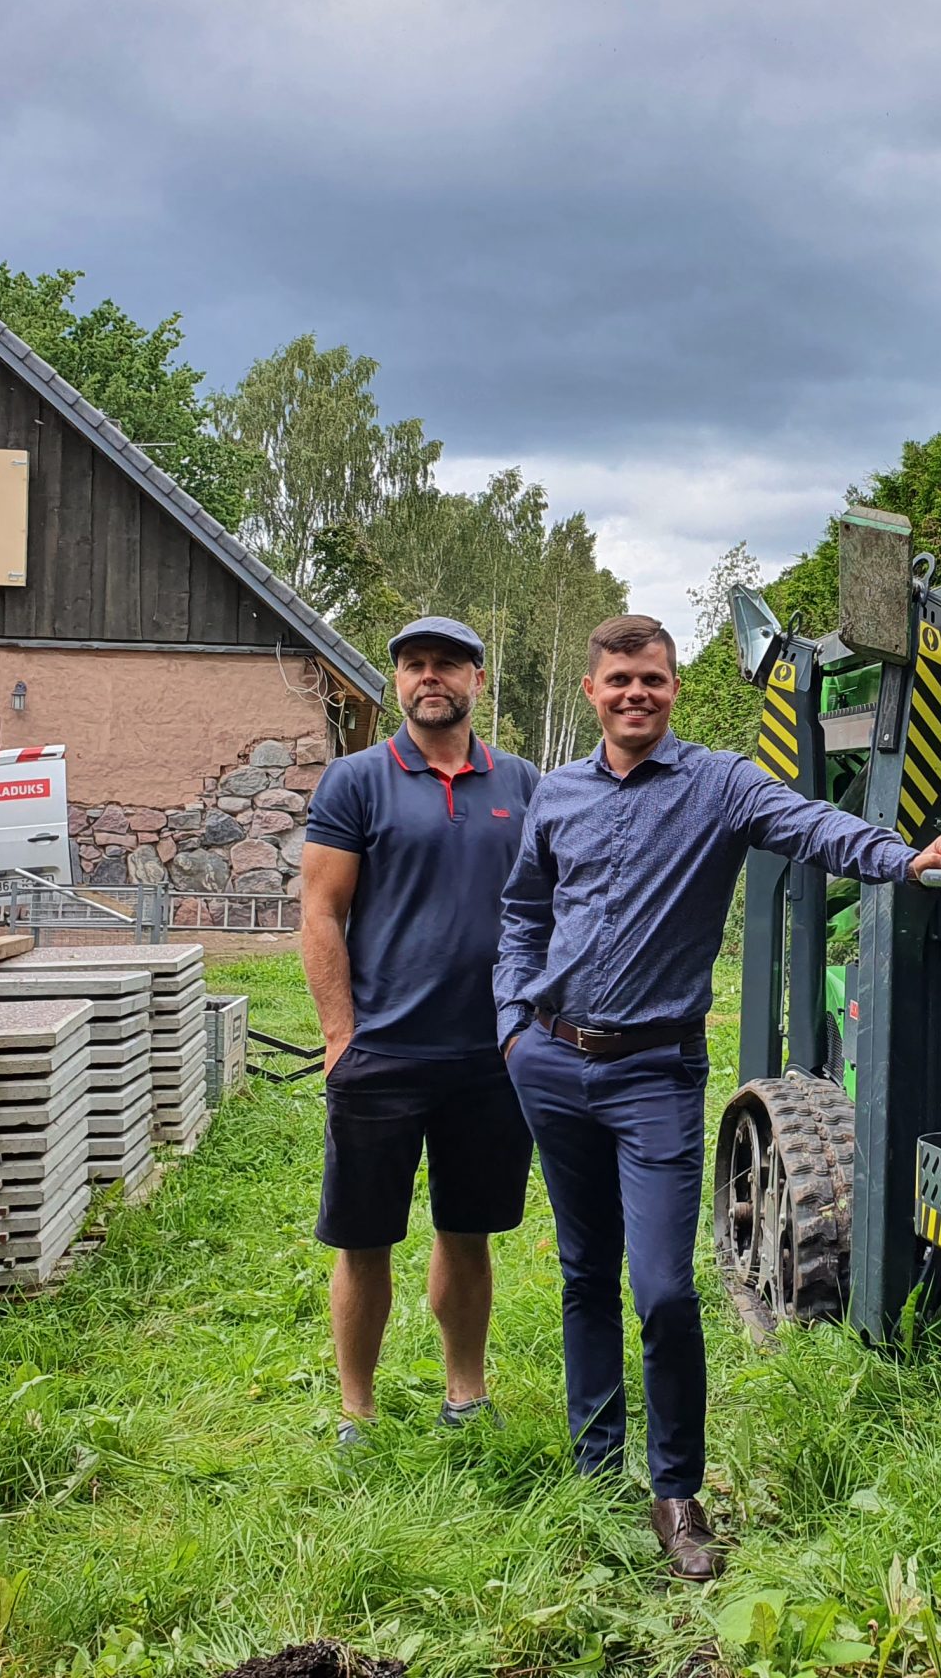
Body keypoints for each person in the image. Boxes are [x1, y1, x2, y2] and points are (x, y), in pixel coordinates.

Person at [495, 613, 941, 1580]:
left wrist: (906, 857)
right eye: (621, 680)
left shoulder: (717, 784)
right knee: (585, 1274)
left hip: (653, 1076)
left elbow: (812, 825)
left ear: (673, 689)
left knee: (666, 1291)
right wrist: (512, 1024)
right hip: (551, 1062)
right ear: (593, 691)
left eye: (656, 681)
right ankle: (594, 1472)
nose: (638, 694)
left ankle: (675, 1495)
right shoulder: (557, 795)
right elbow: (522, 910)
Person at [302, 615, 541, 1447]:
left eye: (446, 663)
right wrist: (340, 1038)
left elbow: (550, 907)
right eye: (412, 665)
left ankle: (464, 1394)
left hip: (491, 1056)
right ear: (397, 681)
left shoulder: (524, 783)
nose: (428, 677)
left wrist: (533, 1026)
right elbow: (322, 913)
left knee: (467, 1233)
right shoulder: (356, 781)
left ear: (477, 679)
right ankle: (356, 1411)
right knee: (363, 1239)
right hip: (383, 1054)